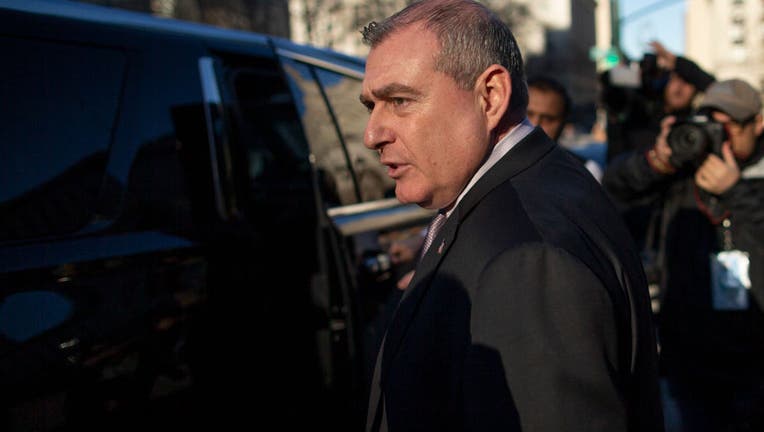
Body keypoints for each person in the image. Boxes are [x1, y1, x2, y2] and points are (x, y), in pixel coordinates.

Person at [359, 1, 663, 431]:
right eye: (370, 105)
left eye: (400, 100)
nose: (373, 134)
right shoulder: (530, 186)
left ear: (490, 96)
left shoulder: (529, 258)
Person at [602, 78, 764, 431]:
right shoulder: (682, 172)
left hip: (757, 360)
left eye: (729, 126)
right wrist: (658, 161)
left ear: (758, 122)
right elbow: (613, 189)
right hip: (692, 357)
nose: (718, 136)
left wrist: (734, 192)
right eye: (709, 125)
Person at [527, 75, 604, 182]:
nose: (535, 125)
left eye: (548, 119)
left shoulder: (586, 172)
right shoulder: (496, 163)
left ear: (564, 123)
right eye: (527, 115)